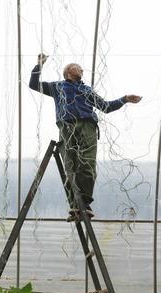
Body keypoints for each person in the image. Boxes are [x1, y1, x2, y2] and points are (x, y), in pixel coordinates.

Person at [29, 53, 141, 220]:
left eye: (81, 68)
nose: (81, 69)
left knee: (87, 164)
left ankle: (84, 203)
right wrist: (39, 65)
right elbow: (33, 85)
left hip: (87, 126)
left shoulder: (86, 90)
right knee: (70, 166)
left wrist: (124, 99)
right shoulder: (57, 87)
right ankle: (75, 205)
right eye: (77, 67)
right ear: (67, 71)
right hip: (67, 126)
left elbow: (105, 106)